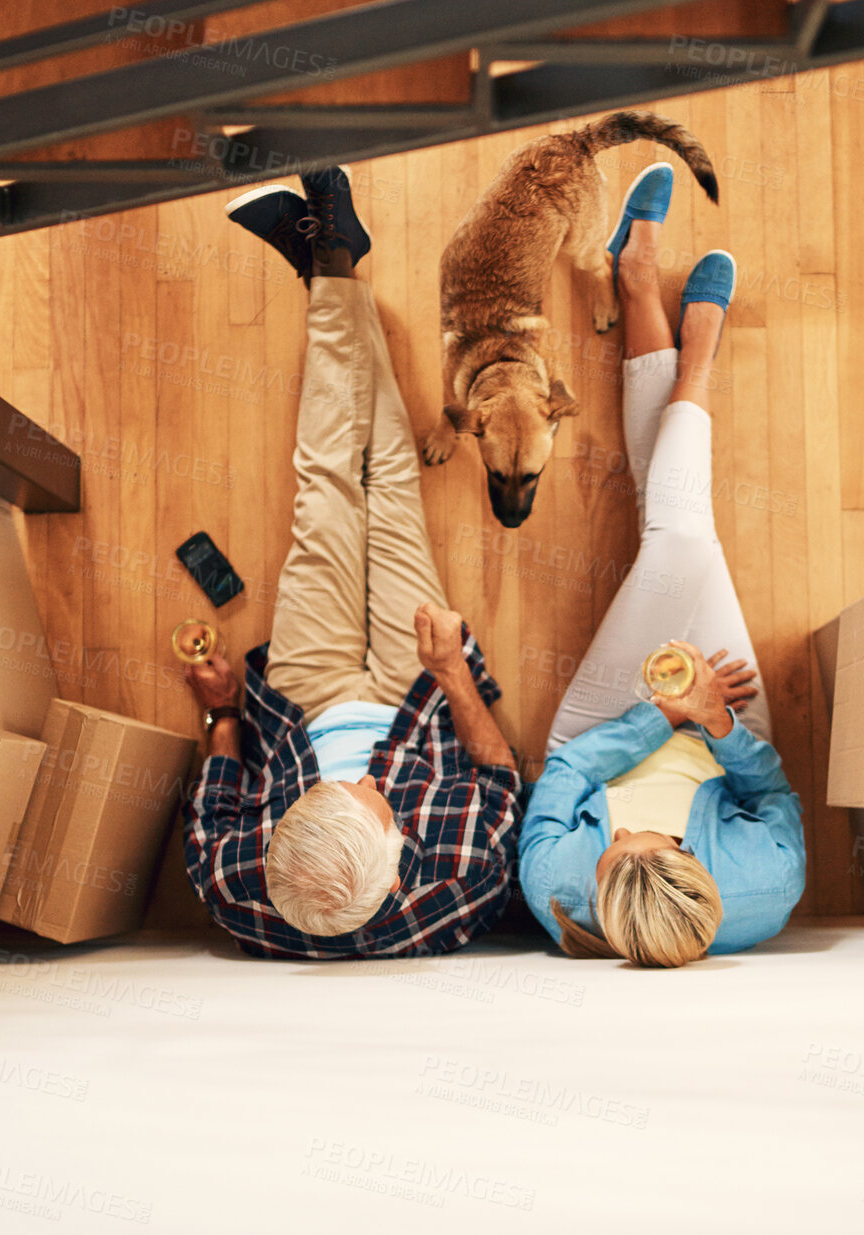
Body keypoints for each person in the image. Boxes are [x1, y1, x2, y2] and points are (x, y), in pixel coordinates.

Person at [181, 168, 522, 959]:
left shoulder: (240, 886)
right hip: (421, 690)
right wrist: (453, 676)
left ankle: (331, 267)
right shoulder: (459, 879)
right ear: (402, 860)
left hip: (305, 700)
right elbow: (501, 775)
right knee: (389, 487)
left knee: (329, 486)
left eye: (345, 788)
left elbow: (217, 812)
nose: (369, 777)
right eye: (376, 799)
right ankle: (329, 266)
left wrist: (226, 711)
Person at [518, 163, 807, 968]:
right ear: (699, 872)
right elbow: (770, 796)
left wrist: (661, 718)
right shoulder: (763, 888)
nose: (639, 831)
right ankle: (646, 295)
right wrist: (712, 719)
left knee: (677, 542)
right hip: (728, 725)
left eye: (616, 849)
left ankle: (692, 362)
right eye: (665, 842)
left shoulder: (559, 893)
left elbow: (566, 776)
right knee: (678, 531)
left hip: (606, 723)